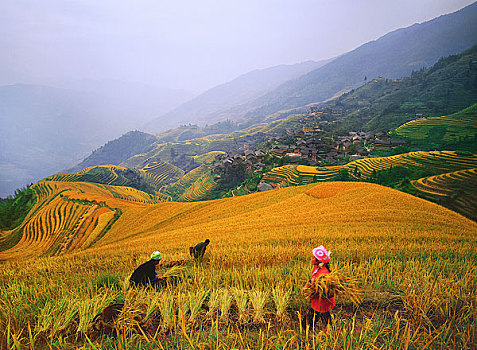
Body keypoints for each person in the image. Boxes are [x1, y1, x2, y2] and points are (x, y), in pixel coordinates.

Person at [302, 245, 336, 329]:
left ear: (318, 260)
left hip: (322, 301)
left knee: (321, 318)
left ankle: (330, 334)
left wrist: (312, 290)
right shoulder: (317, 267)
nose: (311, 259)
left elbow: (324, 290)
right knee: (317, 317)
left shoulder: (324, 274)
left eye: (313, 258)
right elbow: (313, 279)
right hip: (317, 300)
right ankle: (329, 331)